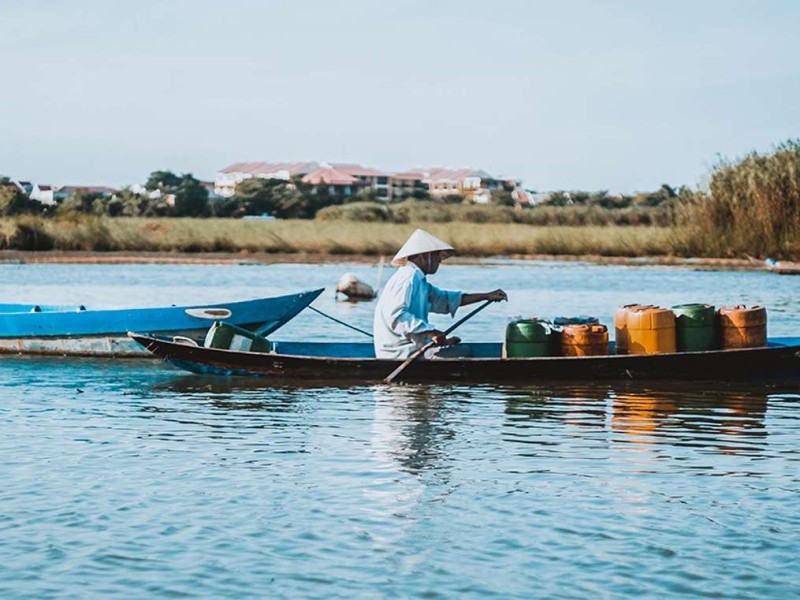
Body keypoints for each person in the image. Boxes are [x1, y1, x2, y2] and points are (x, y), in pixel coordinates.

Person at [373, 229, 507, 359]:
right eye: (437, 255)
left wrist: (486, 296)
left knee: (459, 349)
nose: (439, 260)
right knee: (463, 352)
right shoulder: (408, 277)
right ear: (424, 256)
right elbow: (397, 316)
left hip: (413, 349)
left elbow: (445, 299)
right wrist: (430, 332)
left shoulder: (420, 281)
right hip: (399, 353)